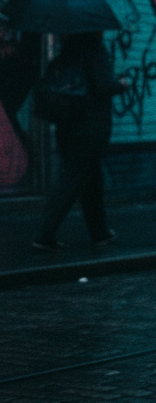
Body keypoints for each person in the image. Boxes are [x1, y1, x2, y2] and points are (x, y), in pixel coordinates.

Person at [32, 32, 128, 251]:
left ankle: (99, 233)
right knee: (73, 180)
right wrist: (122, 84)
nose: (102, 31)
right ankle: (44, 235)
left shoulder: (64, 55)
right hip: (91, 129)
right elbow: (104, 85)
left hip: (67, 129)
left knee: (91, 181)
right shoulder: (95, 52)